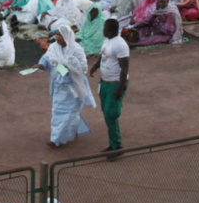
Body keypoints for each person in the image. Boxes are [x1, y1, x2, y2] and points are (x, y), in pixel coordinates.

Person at [35, 24, 96, 148]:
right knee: (58, 111)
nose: (57, 37)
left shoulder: (76, 49)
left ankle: (56, 139)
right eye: (56, 34)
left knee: (68, 112)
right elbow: (46, 59)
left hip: (72, 87)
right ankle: (68, 132)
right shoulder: (53, 48)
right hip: (58, 86)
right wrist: (41, 65)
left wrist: (69, 65)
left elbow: (83, 67)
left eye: (60, 35)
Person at [89, 18, 129, 153]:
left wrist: (120, 89)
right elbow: (104, 54)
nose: (103, 30)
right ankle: (114, 142)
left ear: (110, 30)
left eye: (104, 28)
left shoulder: (120, 45)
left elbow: (124, 69)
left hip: (114, 84)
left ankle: (116, 146)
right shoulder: (107, 40)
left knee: (110, 114)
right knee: (107, 113)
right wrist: (96, 66)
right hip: (105, 83)